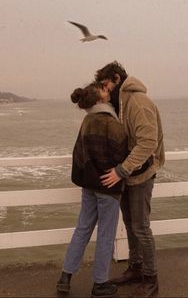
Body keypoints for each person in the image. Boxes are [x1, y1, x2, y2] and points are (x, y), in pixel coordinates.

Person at [95, 61, 165, 298]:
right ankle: (135, 268)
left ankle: (151, 279)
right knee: (130, 224)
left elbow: (148, 142)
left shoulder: (137, 102)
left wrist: (121, 171)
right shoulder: (121, 103)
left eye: (105, 85)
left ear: (116, 78)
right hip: (129, 172)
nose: (104, 90)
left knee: (141, 227)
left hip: (140, 173)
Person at [56, 81, 128, 298]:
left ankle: (65, 277)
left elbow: (79, 154)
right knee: (106, 235)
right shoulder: (109, 122)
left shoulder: (87, 120)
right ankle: (100, 283)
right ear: (99, 98)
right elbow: (121, 154)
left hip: (89, 185)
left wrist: (89, 177)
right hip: (108, 186)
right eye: (105, 90)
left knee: (82, 229)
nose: (109, 91)